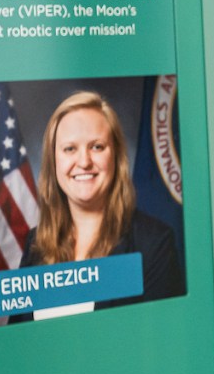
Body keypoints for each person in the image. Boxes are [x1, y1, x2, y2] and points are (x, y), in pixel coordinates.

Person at [20, 90, 183, 317]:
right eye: (70, 149)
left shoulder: (154, 244)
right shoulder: (35, 245)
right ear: (53, 161)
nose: (84, 162)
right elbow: (19, 342)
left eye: (97, 146)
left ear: (115, 157)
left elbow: (158, 342)